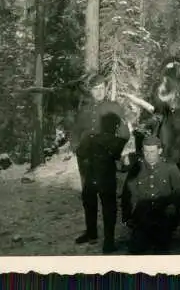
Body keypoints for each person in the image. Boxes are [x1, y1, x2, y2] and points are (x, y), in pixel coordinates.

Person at [70, 74, 130, 253]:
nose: (99, 91)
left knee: (108, 200)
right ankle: (91, 232)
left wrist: (113, 152)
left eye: (102, 88)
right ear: (91, 90)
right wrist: (77, 149)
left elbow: (124, 134)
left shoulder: (114, 108)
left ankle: (109, 240)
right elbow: (75, 132)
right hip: (87, 162)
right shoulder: (84, 109)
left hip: (105, 162)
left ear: (106, 89)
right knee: (88, 197)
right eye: (96, 88)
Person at [121, 136, 180, 254]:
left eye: (152, 151)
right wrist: (127, 217)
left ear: (160, 151)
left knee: (161, 250)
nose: (148, 155)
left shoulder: (170, 167)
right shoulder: (137, 167)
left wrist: (173, 206)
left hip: (163, 216)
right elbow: (128, 193)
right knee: (136, 250)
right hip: (143, 215)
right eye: (145, 151)